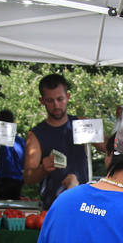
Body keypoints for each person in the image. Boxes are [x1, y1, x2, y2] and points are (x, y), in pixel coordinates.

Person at [24, 74, 90, 209]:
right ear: (41, 101)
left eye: (60, 99)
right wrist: (43, 168)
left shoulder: (81, 124)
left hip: (84, 205)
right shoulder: (35, 135)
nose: (56, 105)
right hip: (53, 208)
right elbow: (28, 178)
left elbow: (109, 147)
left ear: (68, 97)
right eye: (50, 100)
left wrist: (122, 120)